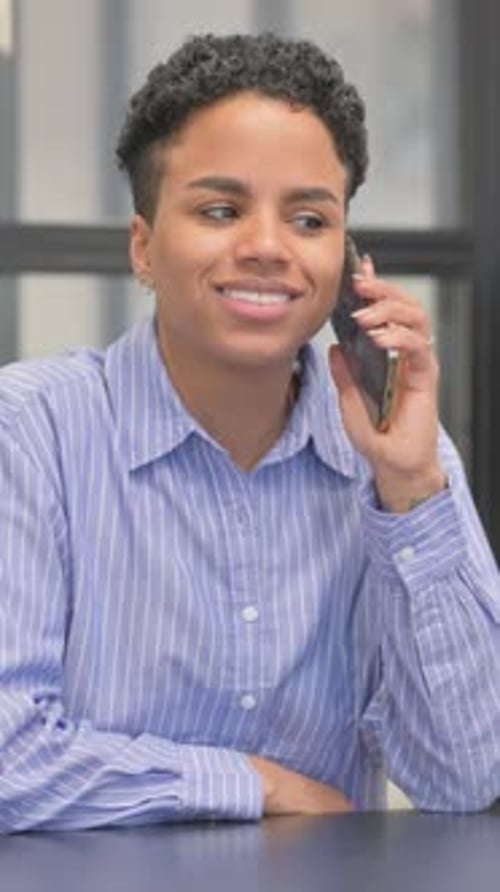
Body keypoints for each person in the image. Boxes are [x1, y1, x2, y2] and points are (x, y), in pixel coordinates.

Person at [1, 32, 500, 833]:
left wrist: (410, 491)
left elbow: (465, 772)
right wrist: (253, 784)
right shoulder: (27, 433)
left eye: (310, 218)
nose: (268, 248)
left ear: (346, 258)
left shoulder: (397, 457)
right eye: (220, 210)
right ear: (143, 247)